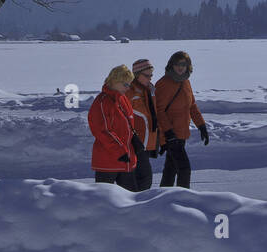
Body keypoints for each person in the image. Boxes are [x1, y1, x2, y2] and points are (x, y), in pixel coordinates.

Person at [153, 50, 209, 188]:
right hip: (171, 136)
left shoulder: (185, 82)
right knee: (184, 169)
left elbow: (192, 106)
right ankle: (184, 199)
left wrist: (201, 125)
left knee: (170, 169)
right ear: (171, 65)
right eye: (177, 64)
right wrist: (168, 133)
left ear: (188, 66)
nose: (180, 67)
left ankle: (163, 198)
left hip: (181, 133)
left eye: (183, 64)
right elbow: (159, 111)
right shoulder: (164, 83)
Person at [87, 65, 143, 191]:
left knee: (131, 198)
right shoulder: (102, 102)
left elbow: (128, 124)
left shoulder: (122, 99)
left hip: (125, 160)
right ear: (114, 81)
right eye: (125, 84)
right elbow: (103, 131)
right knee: (104, 200)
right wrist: (121, 151)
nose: (128, 88)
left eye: (129, 85)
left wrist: (133, 139)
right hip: (108, 161)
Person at [125, 58, 160, 192]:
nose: (150, 78)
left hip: (146, 142)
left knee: (144, 180)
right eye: (147, 75)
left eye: (151, 74)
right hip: (134, 143)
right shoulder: (129, 92)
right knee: (142, 180)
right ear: (137, 74)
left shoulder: (150, 90)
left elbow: (153, 116)